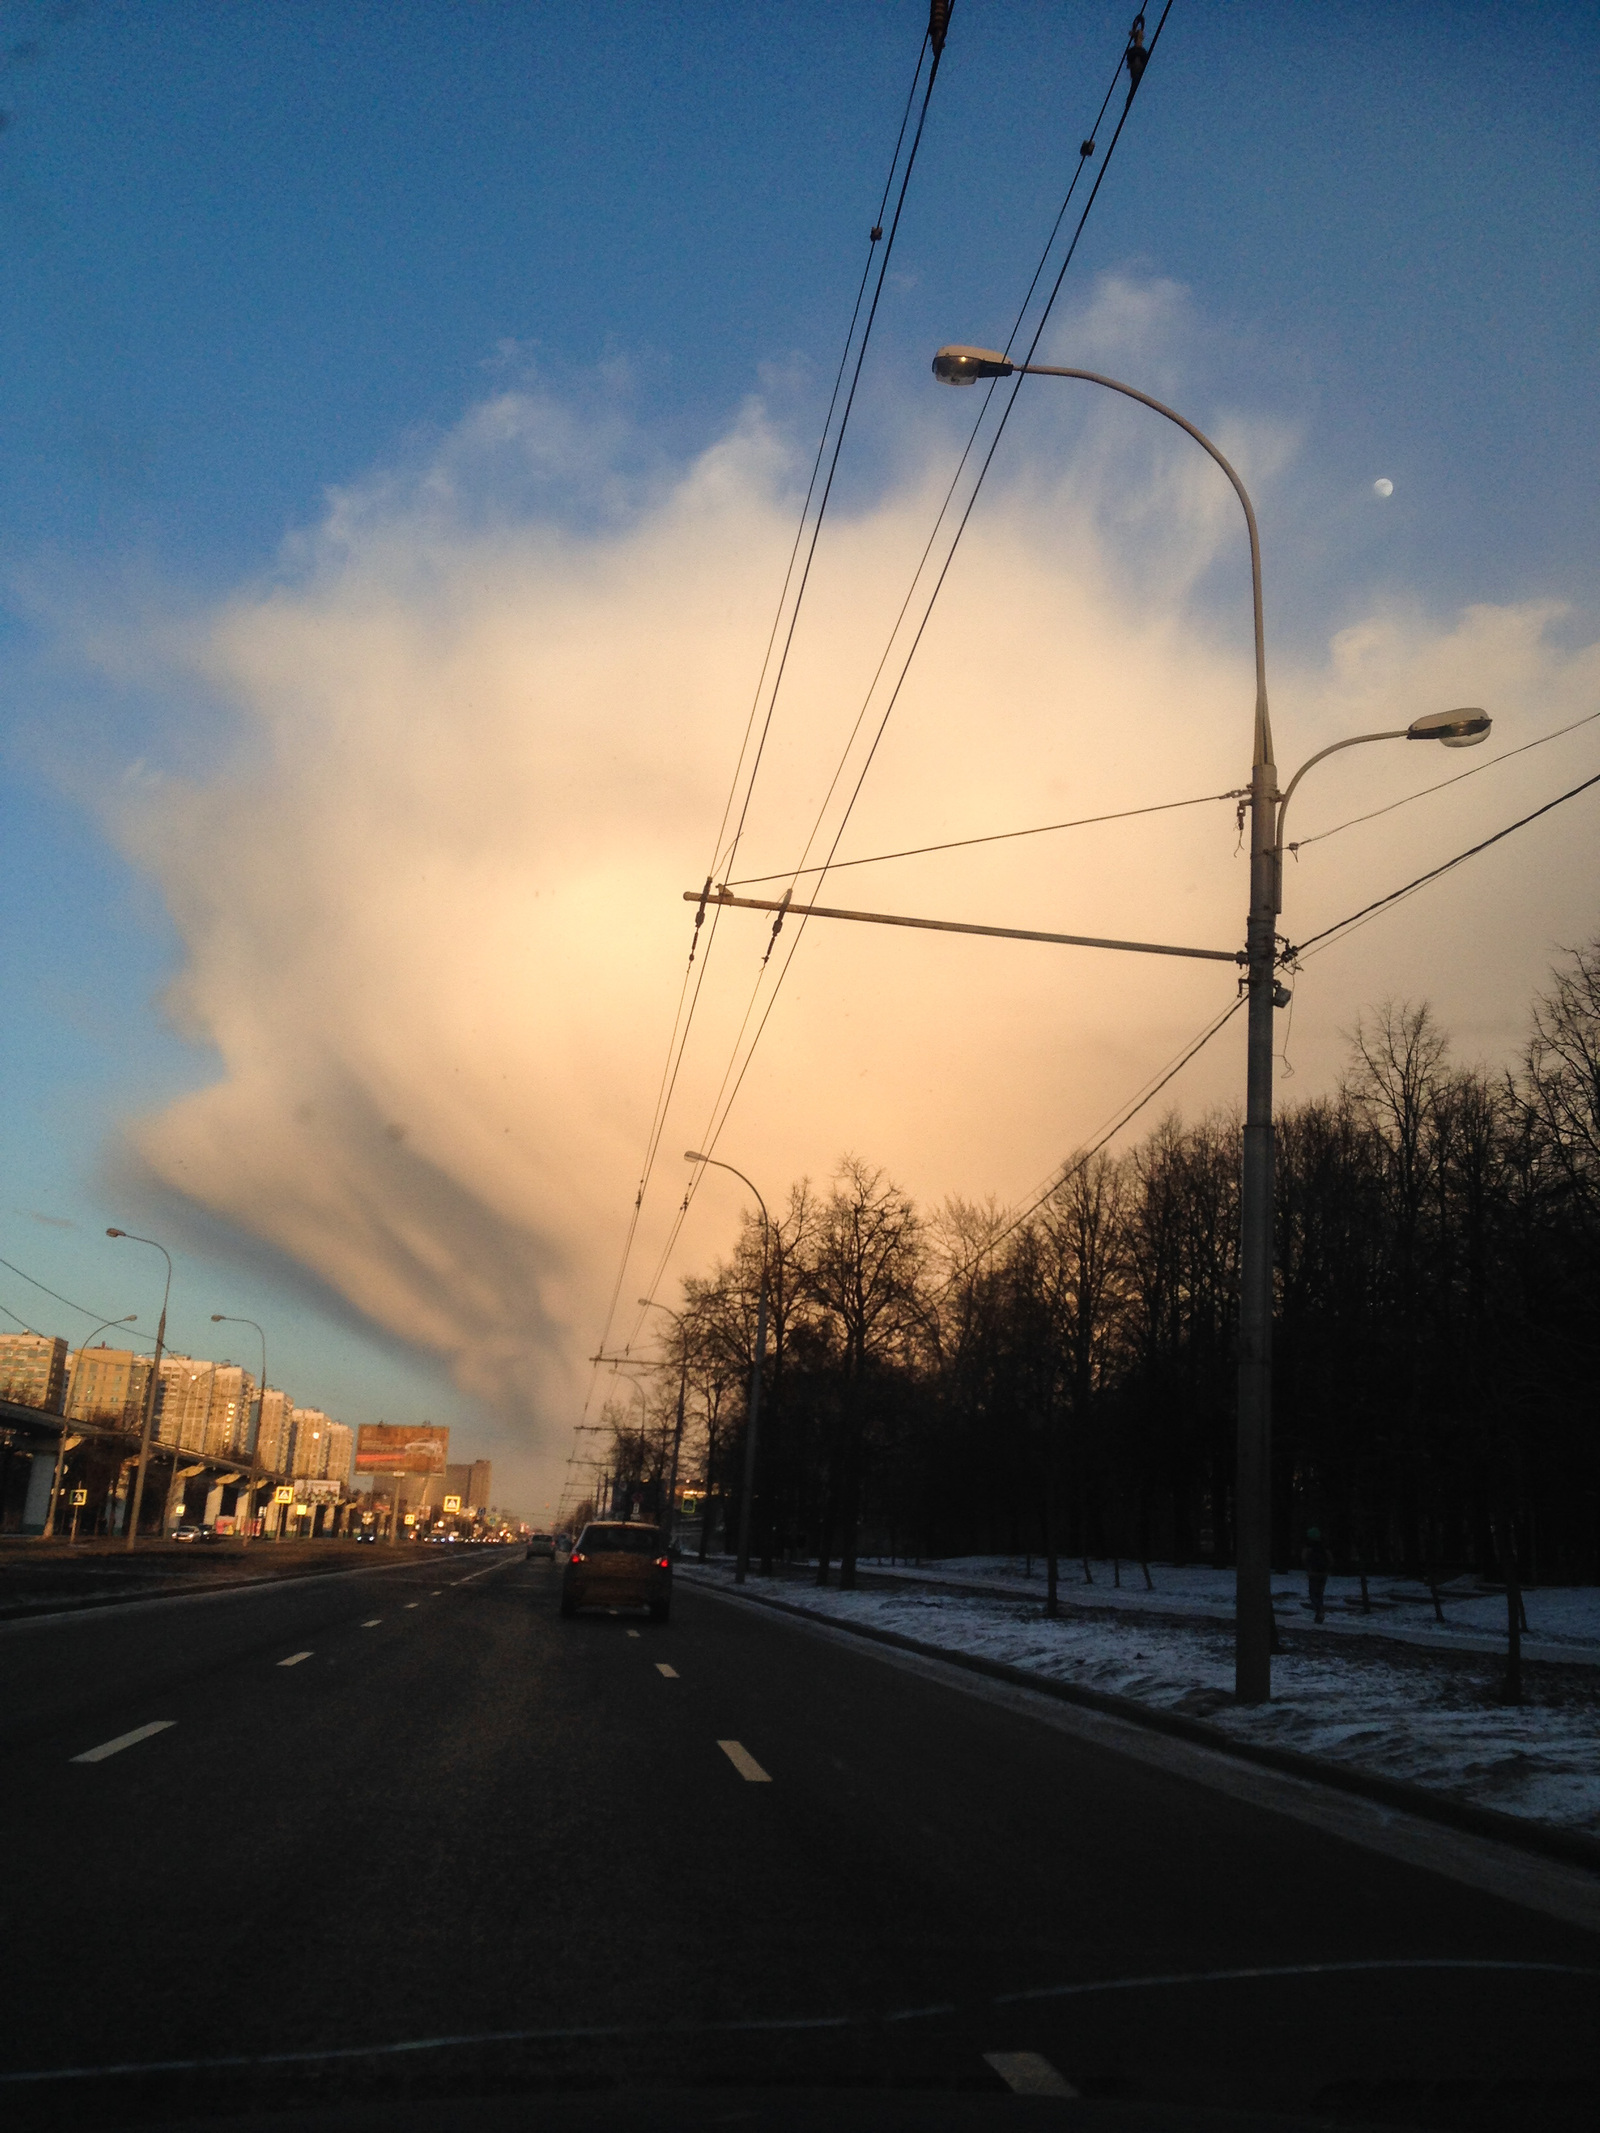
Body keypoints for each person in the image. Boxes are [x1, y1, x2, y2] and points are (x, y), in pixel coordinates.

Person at [1303, 1527, 1331, 1623]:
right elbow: (1330, 1558)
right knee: (1320, 1593)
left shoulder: (1309, 1546)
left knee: (1312, 1594)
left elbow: (1304, 1557)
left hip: (1313, 1572)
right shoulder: (1324, 1545)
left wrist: (1308, 1567)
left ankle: (1319, 1611)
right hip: (1323, 1572)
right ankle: (1320, 1613)